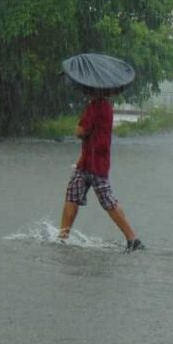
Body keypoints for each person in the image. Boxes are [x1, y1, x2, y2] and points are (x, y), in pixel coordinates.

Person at [58, 91, 144, 252]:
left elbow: (80, 131)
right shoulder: (106, 106)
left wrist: (79, 125)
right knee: (74, 195)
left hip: (93, 163)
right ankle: (62, 237)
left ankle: (133, 238)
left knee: (105, 200)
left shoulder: (95, 107)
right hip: (90, 161)